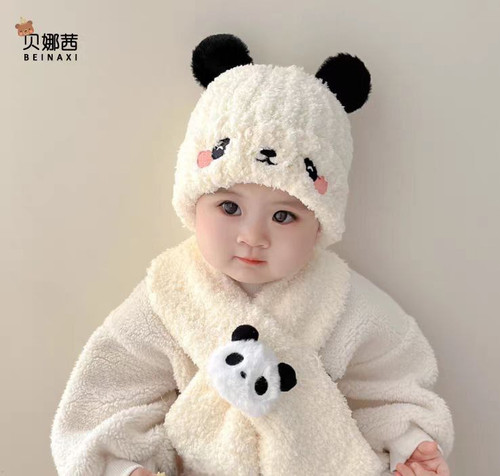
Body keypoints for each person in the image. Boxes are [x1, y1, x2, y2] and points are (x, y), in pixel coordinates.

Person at [50, 34, 454, 476]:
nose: (253, 237)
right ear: (194, 204)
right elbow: (110, 392)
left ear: (319, 224)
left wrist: (408, 442)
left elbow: (393, 385)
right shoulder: (168, 293)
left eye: (283, 216)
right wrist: (121, 466)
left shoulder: (346, 301)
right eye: (229, 208)